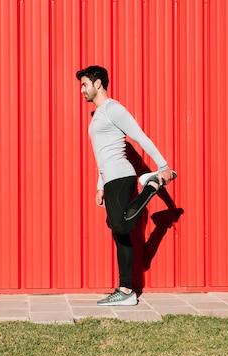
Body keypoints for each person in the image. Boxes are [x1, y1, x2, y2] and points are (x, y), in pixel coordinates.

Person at [76, 65, 177, 306]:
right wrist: (100, 185)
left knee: (121, 227)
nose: (82, 90)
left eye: (85, 84)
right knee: (121, 236)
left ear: (98, 83)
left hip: (122, 176)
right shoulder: (98, 114)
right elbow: (101, 153)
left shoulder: (113, 109)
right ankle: (126, 291)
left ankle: (152, 186)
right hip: (110, 179)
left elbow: (139, 136)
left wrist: (162, 166)